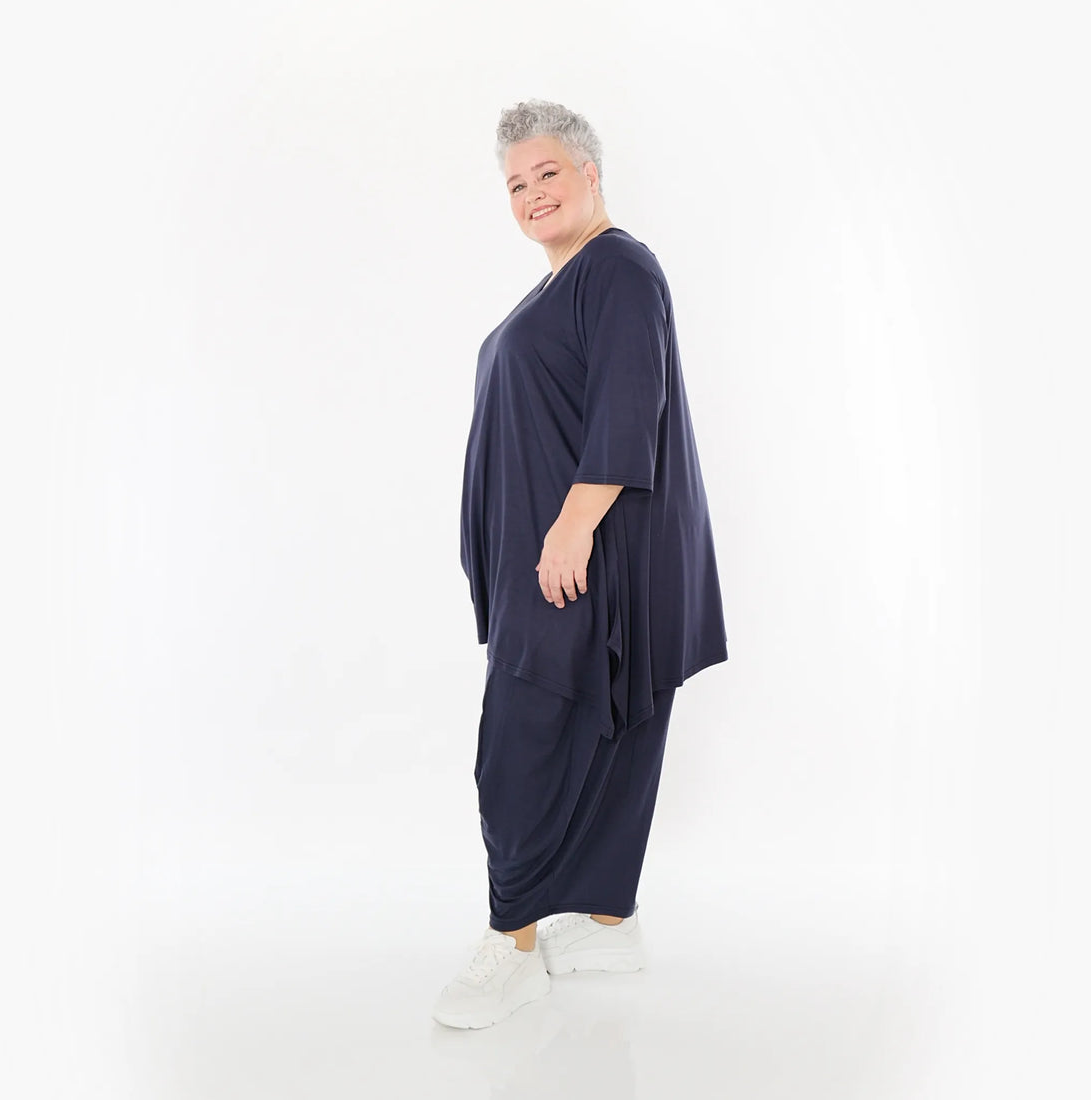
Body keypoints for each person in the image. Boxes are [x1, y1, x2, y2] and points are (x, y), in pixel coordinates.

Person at [432, 98, 729, 1030]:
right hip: (554, 559)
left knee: (519, 744)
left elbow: (630, 402)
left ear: (590, 174)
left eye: (547, 173)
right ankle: (607, 924)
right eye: (515, 184)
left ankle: (512, 944)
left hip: (582, 559)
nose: (530, 194)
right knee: (583, 732)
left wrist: (570, 527)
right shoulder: (556, 288)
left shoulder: (619, 268)